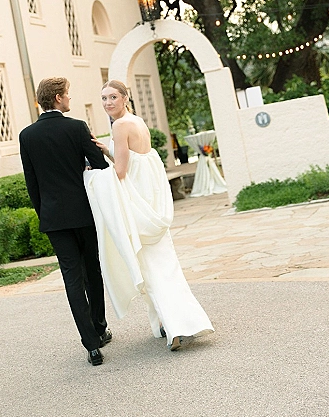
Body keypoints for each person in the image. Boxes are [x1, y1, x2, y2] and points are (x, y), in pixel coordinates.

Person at [85, 79, 214, 351]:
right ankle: (179, 322)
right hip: (151, 204)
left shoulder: (119, 126)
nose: (108, 103)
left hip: (138, 209)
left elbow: (120, 172)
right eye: (104, 98)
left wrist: (92, 177)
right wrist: (106, 150)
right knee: (168, 269)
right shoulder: (138, 122)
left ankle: (175, 330)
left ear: (124, 98)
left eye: (112, 97)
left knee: (151, 272)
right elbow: (140, 161)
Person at [19, 77, 112, 366]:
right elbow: (99, 164)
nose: (70, 99)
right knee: (92, 269)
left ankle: (91, 345)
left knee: (72, 277)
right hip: (83, 213)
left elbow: (31, 183)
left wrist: (44, 214)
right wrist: (85, 163)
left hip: (53, 218)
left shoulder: (26, 135)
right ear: (58, 98)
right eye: (68, 94)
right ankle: (99, 327)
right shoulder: (76, 127)